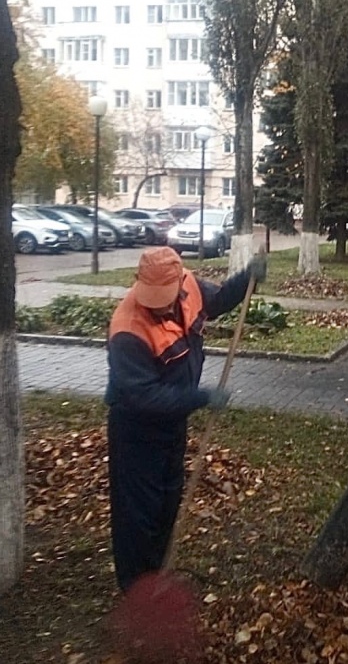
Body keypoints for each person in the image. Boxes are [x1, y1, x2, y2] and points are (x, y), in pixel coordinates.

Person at [104, 246, 267, 592]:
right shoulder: (128, 329)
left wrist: (247, 279)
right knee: (138, 512)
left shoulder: (190, 286)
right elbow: (143, 397)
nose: (160, 307)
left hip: (173, 423)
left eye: (165, 298)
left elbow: (218, 300)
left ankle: (159, 572)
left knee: (167, 500)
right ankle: (136, 589)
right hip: (136, 430)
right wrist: (200, 397)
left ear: (179, 284)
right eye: (153, 299)